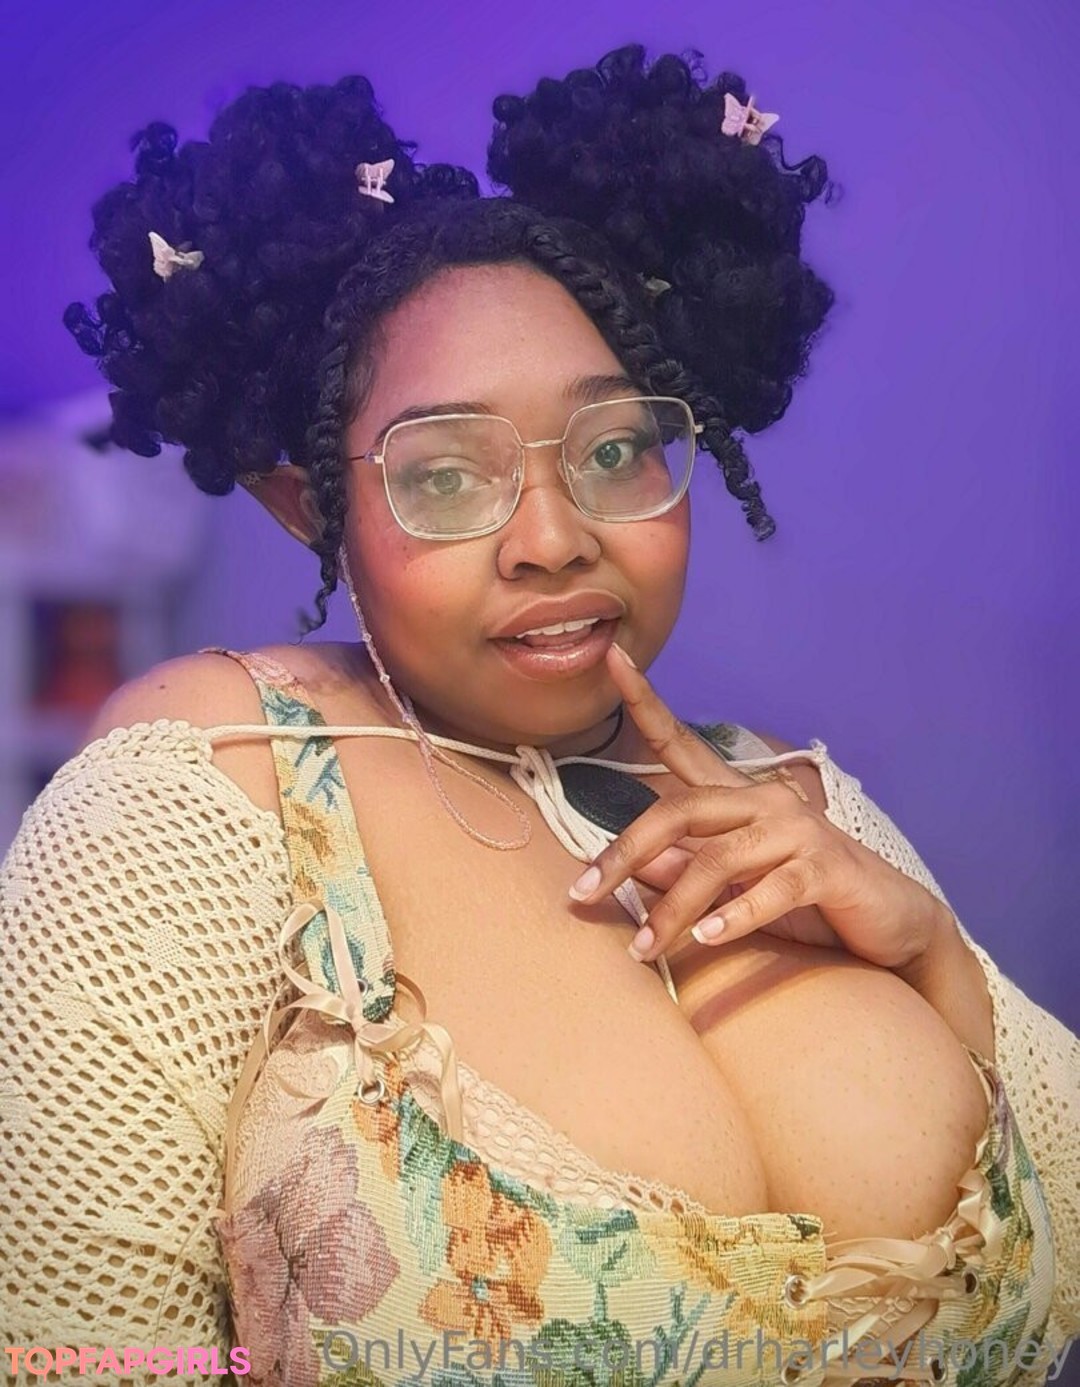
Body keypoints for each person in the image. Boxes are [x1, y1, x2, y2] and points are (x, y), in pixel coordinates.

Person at [1, 43, 1077, 1387]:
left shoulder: (786, 800)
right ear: (312, 508)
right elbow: (75, 1353)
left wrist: (933, 956)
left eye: (614, 449)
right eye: (448, 475)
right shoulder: (220, 772)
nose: (555, 539)